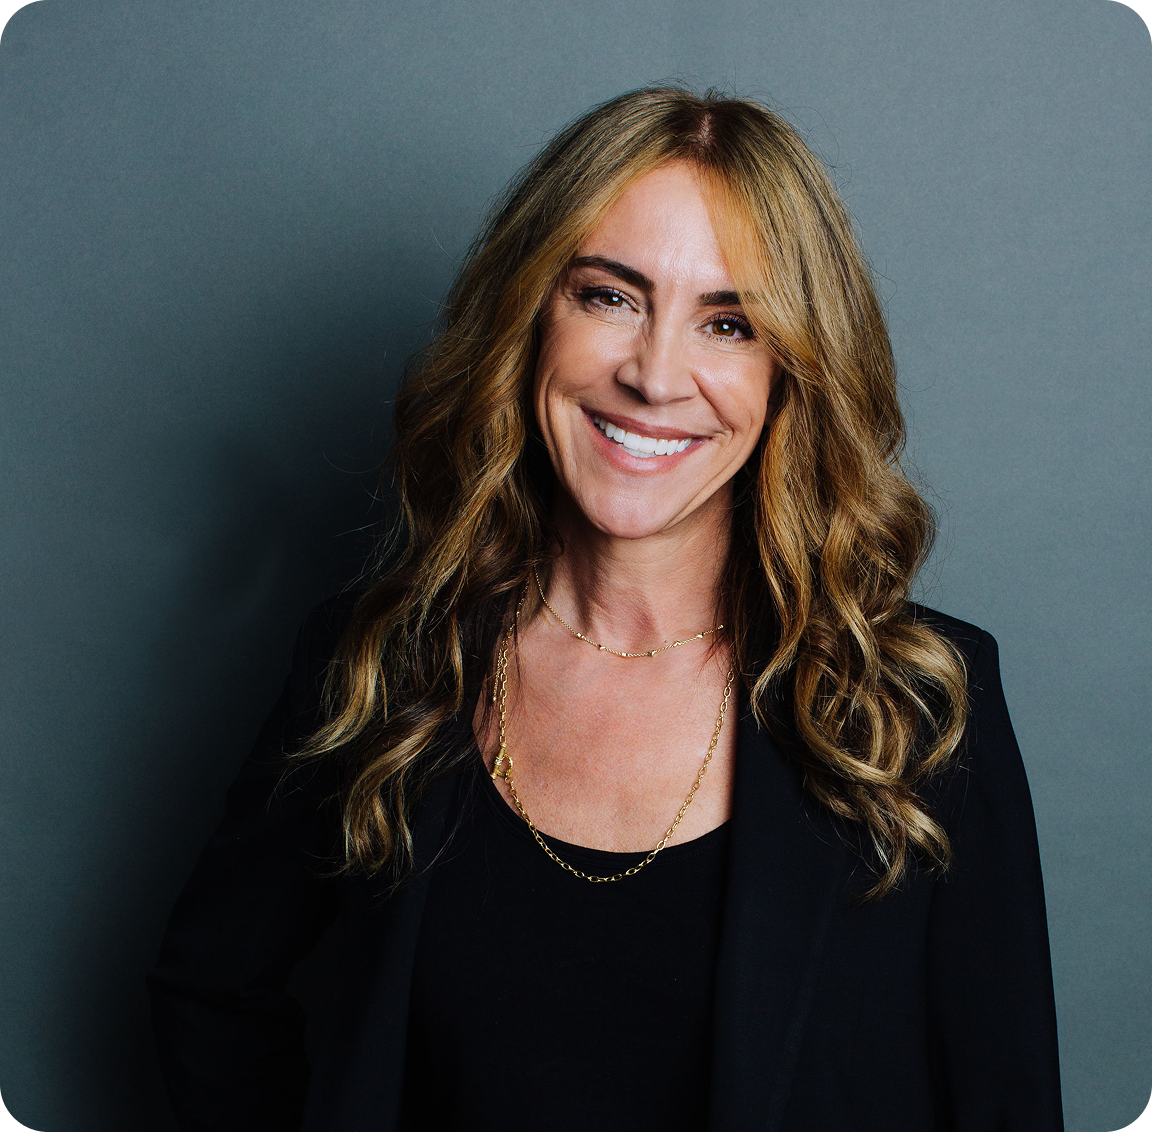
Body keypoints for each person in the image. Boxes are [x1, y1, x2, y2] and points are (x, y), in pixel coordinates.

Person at [147, 85, 1064, 1131]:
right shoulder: (375, 665)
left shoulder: (921, 708)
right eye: (609, 297)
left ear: (790, 373)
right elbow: (208, 992)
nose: (654, 376)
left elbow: (1009, 1104)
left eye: (728, 323)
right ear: (530, 313)